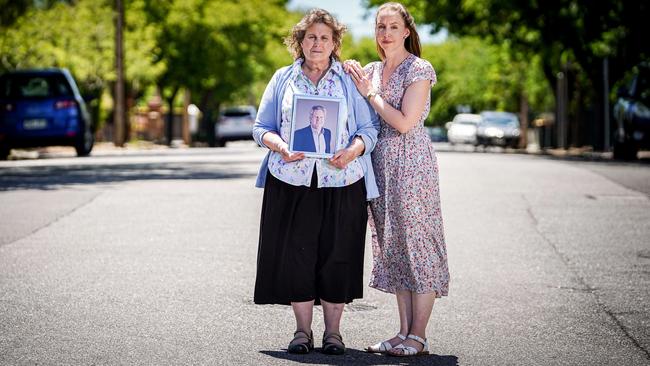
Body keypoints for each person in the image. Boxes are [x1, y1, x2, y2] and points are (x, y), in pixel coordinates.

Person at [252, 8, 379, 356]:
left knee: (338, 254)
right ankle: (302, 332)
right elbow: (261, 128)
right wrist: (280, 146)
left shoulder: (349, 79)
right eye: (311, 37)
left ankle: (334, 334)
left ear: (335, 42)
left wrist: (353, 151)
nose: (317, 43)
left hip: (343, 180)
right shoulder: (282, 78)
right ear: (300, 41)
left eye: (324, 37)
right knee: (297, 255)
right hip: (291, 180)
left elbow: (369, 130)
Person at [344, 2, 450, 357]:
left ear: (406, 31)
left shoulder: (419, 68)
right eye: (380, 27)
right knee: (395, 248)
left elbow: (405, 122)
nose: (385, 33)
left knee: (418, 245)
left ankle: (418, 336)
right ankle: (402, 332)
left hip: (411, 166)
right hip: (379, 167)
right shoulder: (371, 70)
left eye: (392, 27)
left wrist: (369, 94)